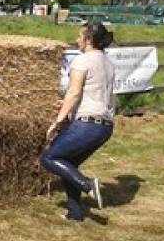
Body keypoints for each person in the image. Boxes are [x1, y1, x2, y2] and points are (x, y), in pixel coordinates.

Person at [40, 22, 115, 222]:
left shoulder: (82, 61)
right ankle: (75, 213)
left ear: (88, 39)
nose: (76, 39)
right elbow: (91, 92)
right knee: (69, 163)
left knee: (49, 158)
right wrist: (67, 103)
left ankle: (88, 185)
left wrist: (58, 121)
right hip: (105, 125)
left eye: (79, 36)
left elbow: (74, 93)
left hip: (88, 123)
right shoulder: (107, 62)